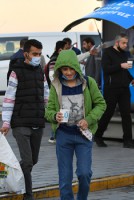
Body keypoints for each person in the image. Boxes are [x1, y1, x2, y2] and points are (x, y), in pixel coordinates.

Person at [45, 50, 106, 200]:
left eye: (71, 68)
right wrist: (55, 116)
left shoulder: (88, 82)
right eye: (65, 69)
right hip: (63, 135)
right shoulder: (56, 85)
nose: (69, 72)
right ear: (60, 69)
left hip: (83, 135)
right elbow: (49, 111)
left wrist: (89, 120)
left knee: (84, 173)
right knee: (65, 178)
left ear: (77, 67)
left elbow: (101, 104)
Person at [0, 39, 49, 200]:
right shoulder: (16, 71)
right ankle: (28, 194)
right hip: (20, 122)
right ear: (26, 53)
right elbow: (9, 98)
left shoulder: (40, 71)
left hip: (37, 121)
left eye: (40, 54)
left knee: (32, 160)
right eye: (35, 54)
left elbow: (46, 95)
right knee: (27, 161)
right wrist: (6, 122)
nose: (37, 57)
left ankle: (12, 176)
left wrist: (49, 113)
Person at [94, 33, 134, 148]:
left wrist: (132, 79)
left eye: (126, 43)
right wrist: (120, 66)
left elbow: (125, 70)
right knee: (108, 112)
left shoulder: (124, 54)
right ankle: (98, 136)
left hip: (124, 88)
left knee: (126, 114)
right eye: (123, 43)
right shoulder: (107, 53)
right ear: (117, 42)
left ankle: (127, 140)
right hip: (111, 88)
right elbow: (106, 69)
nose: (125, 45)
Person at [45, 40, 68, 143]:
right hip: (58, 91)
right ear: (60, 50)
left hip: (60, 90)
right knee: (59, 112)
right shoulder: (54, 60)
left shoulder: (60, 59)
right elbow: (51, 76)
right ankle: (54, 135)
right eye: (67, 49)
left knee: (62, 111)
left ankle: (58, 135)